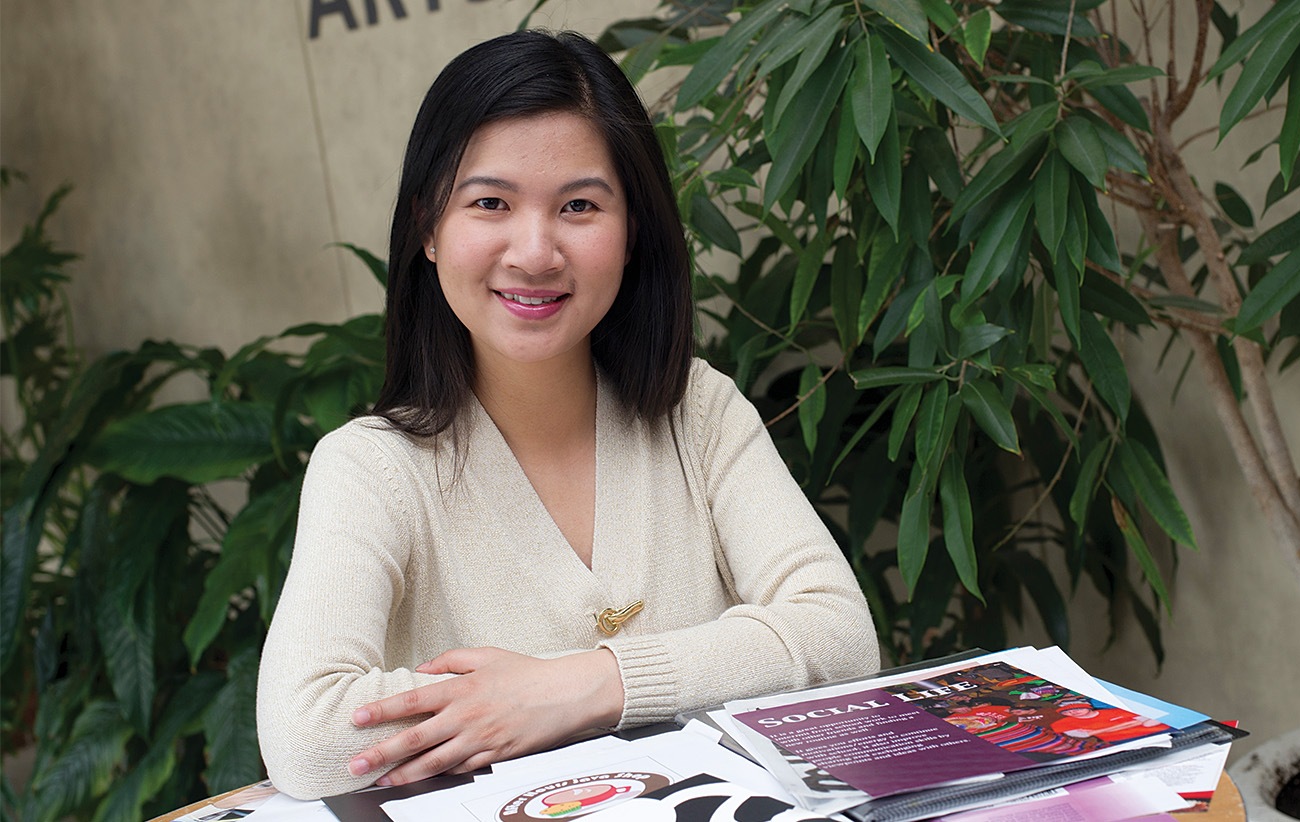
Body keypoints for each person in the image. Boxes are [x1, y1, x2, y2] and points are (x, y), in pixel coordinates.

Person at [255, 30, 879, 800]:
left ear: (633, 231)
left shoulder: (700, 410)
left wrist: (579, 688)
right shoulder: (371, 469)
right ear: (427, 228)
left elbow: (842, 638)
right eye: (490, 203)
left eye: (579, 205)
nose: (535, 250)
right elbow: (306, 734)